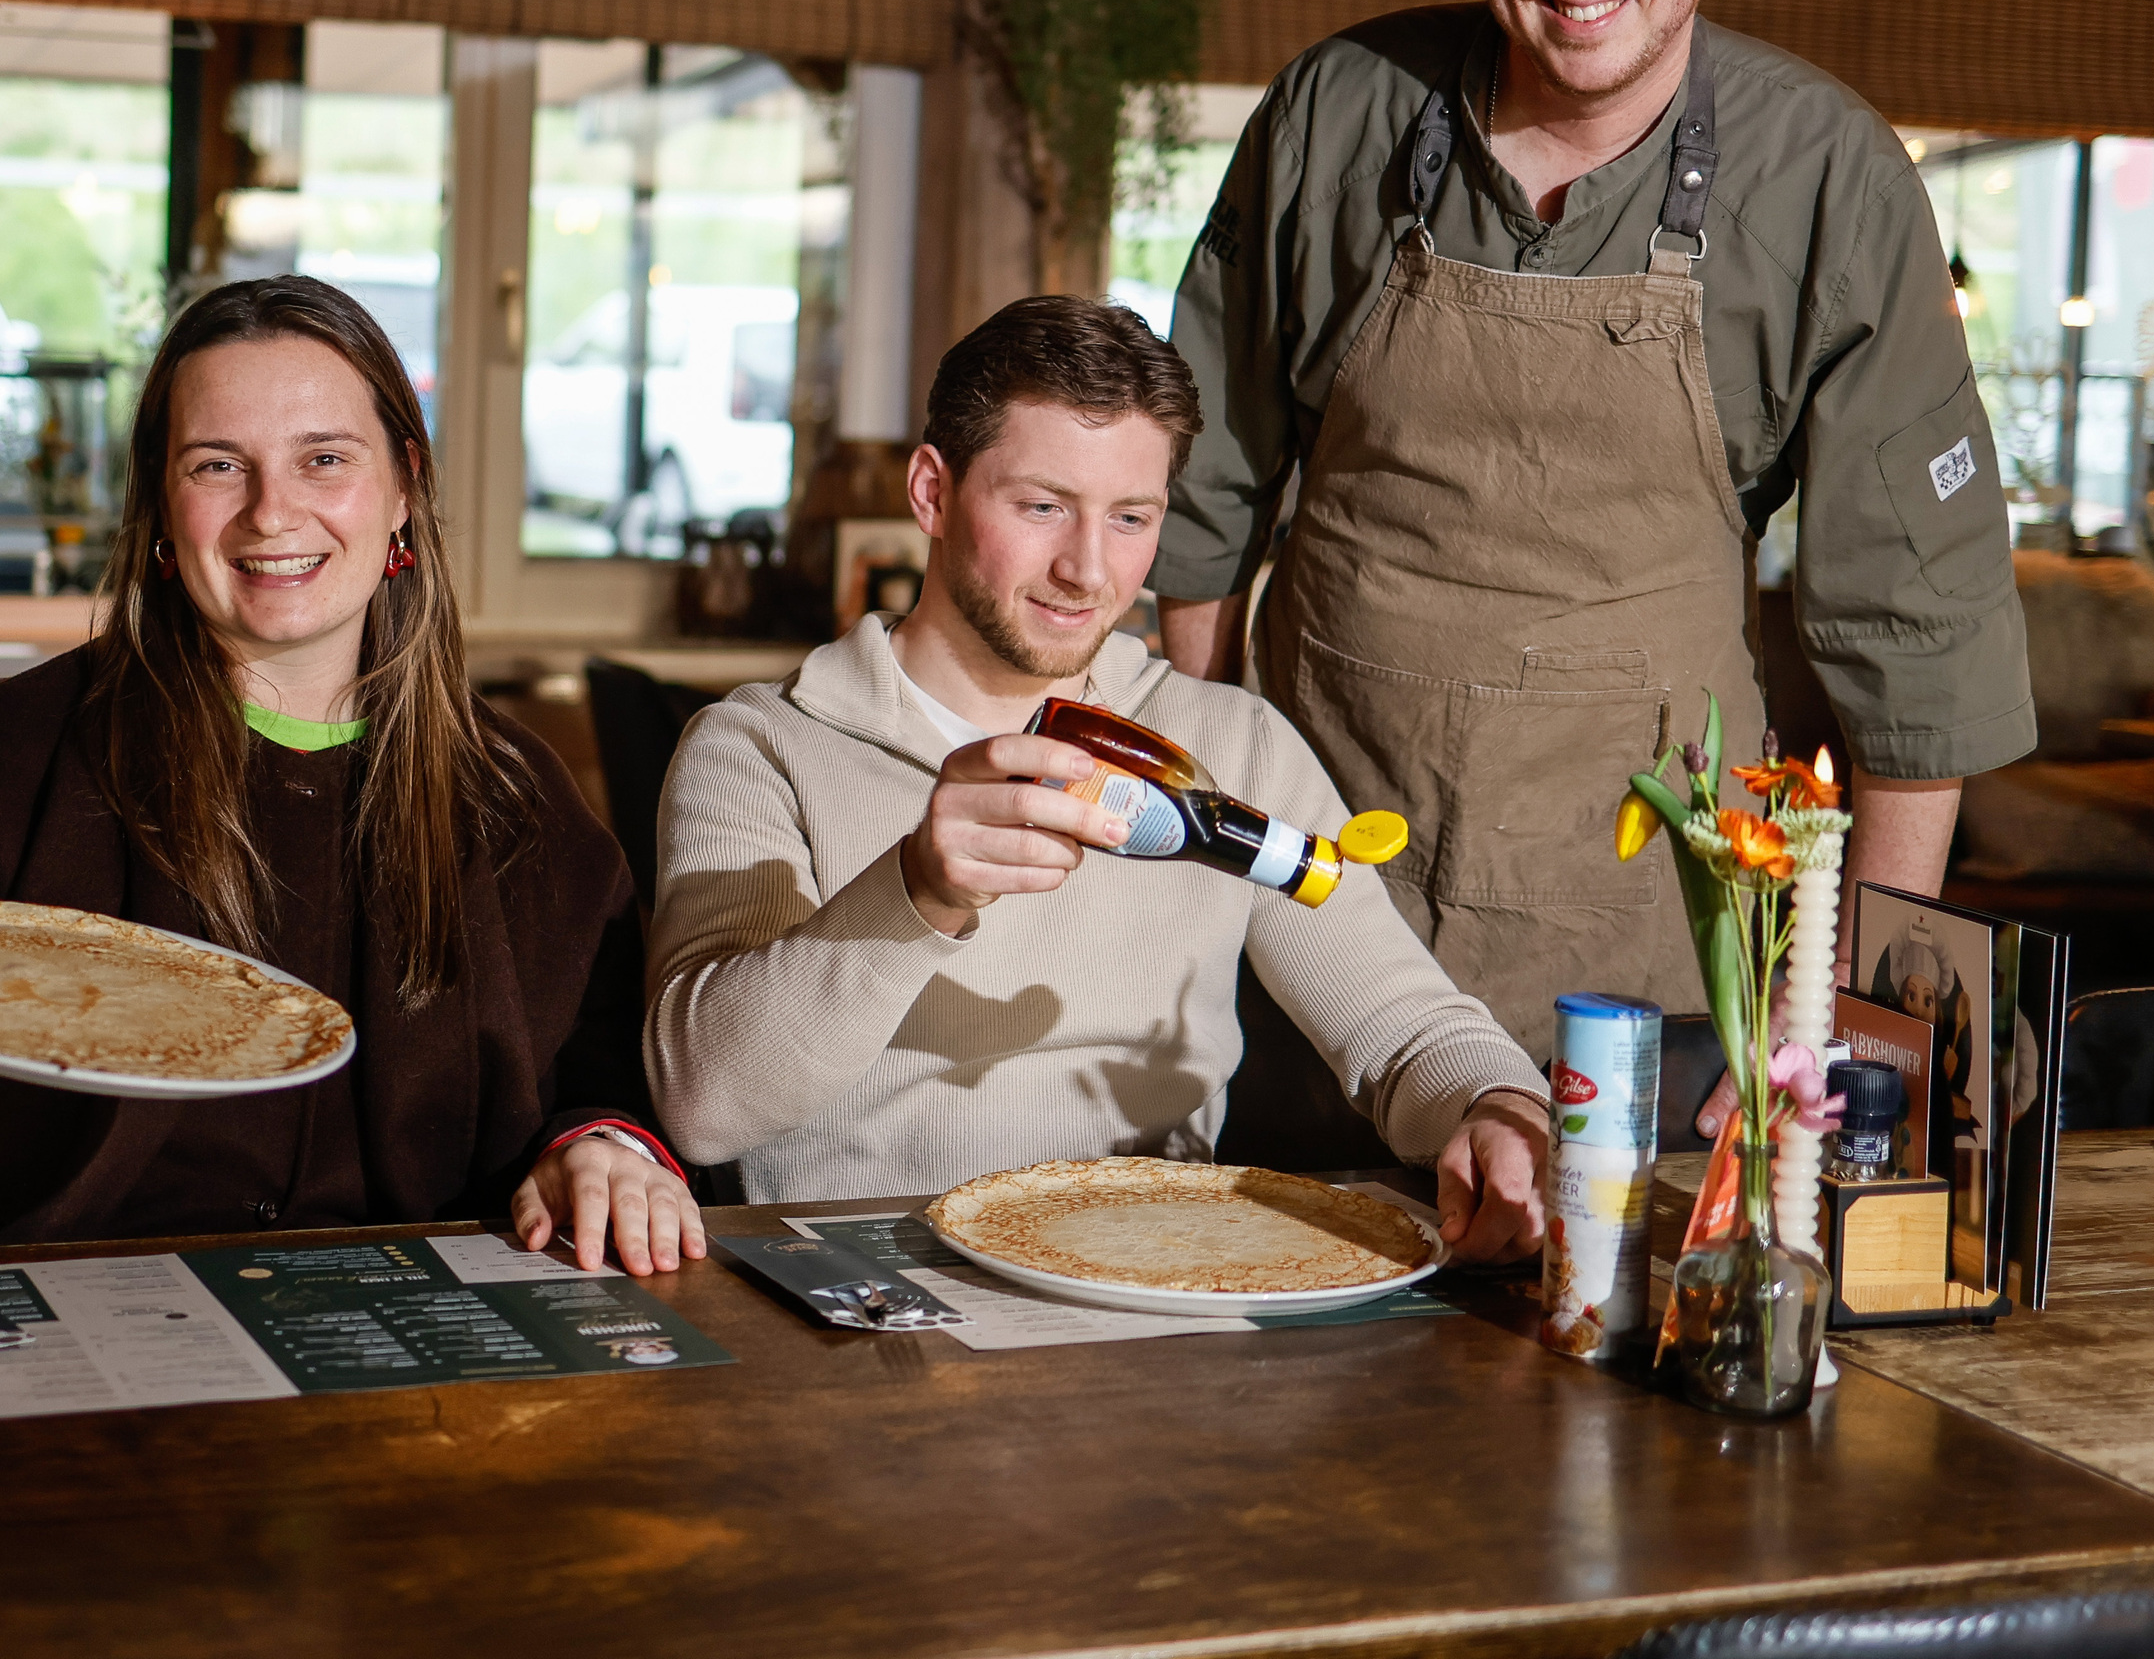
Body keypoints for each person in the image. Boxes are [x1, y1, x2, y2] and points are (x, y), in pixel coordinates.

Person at [1151, 0, 2033, 1056]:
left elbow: (1919, 635)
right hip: (1316, 922)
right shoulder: (1337, 114)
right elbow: (1195, 507)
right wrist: (1205, 857)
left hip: (1658, 950)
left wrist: (1848, 1020)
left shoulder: (1827, 180)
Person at [0, 276, 702, 1350]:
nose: (273, 512)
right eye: (217, 465)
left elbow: (598, 1075)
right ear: (161, 511)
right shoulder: (11, 763)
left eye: (325, 458)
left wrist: (605, 1150)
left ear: (405, 487)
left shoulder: (518, 796)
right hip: (56, 1343)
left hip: (422, 1360)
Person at [644, 296, 1553, 1260]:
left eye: (1130, 518)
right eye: (1041, 507)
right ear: (931, 493)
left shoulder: (1230, 745)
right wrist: (917, 890)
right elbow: (704, 1107)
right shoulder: (762, 746)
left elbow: (1401, 1025)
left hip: (1158, 1284)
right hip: (867, 1284)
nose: (1087, 570)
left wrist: (1496, 1108)